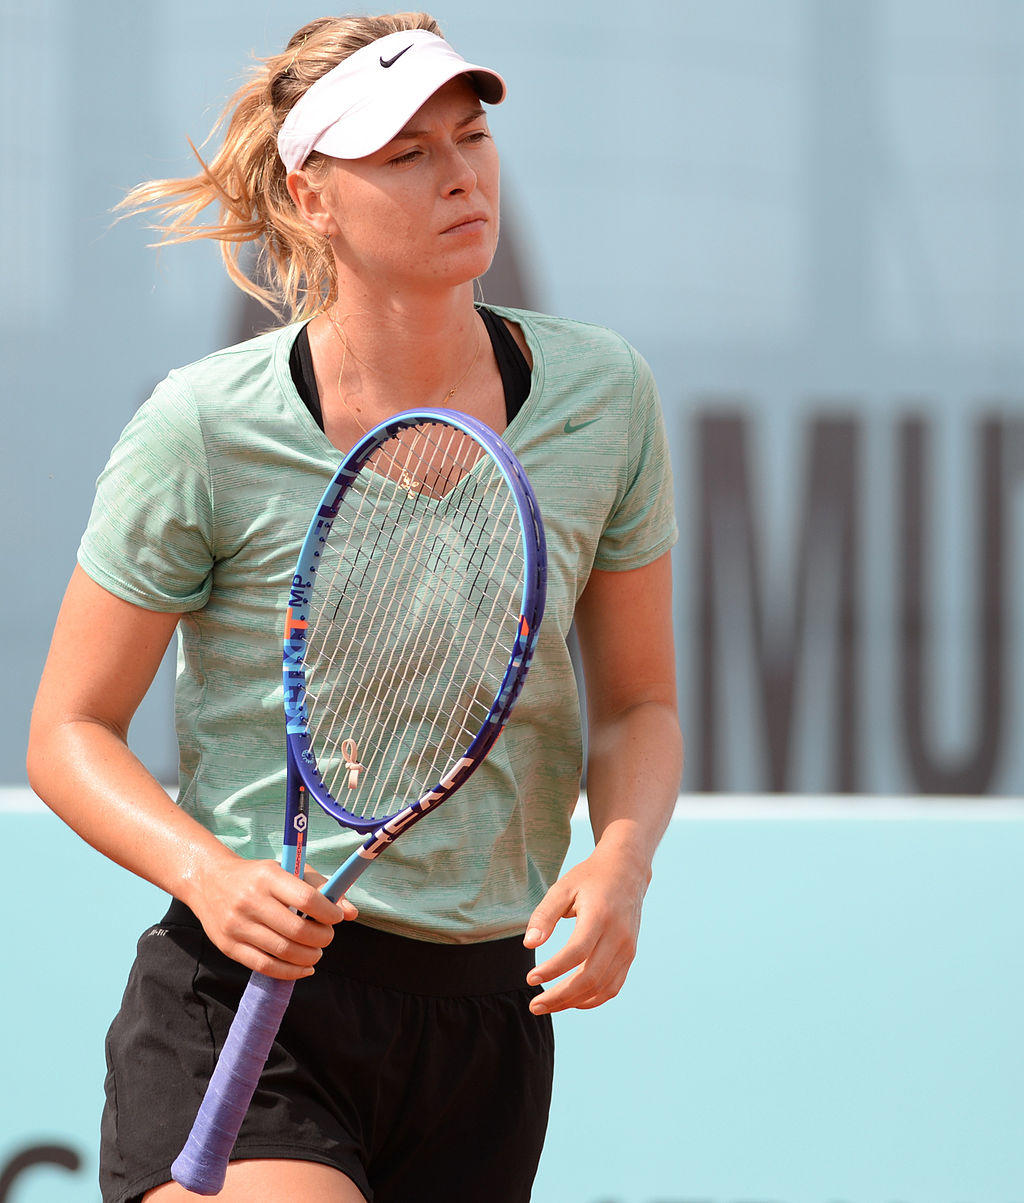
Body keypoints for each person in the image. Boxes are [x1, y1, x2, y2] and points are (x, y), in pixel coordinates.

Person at [27, 12, 682, 1203]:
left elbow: (639, 702)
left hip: (484, 1023)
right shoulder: (201, 424)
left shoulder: (606, 398)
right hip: (243, 1005)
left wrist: (623, 861)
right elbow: (67, 732)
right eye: (404, 155)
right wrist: (210, 876)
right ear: (312, 198)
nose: (458, 175)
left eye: (470, 137)